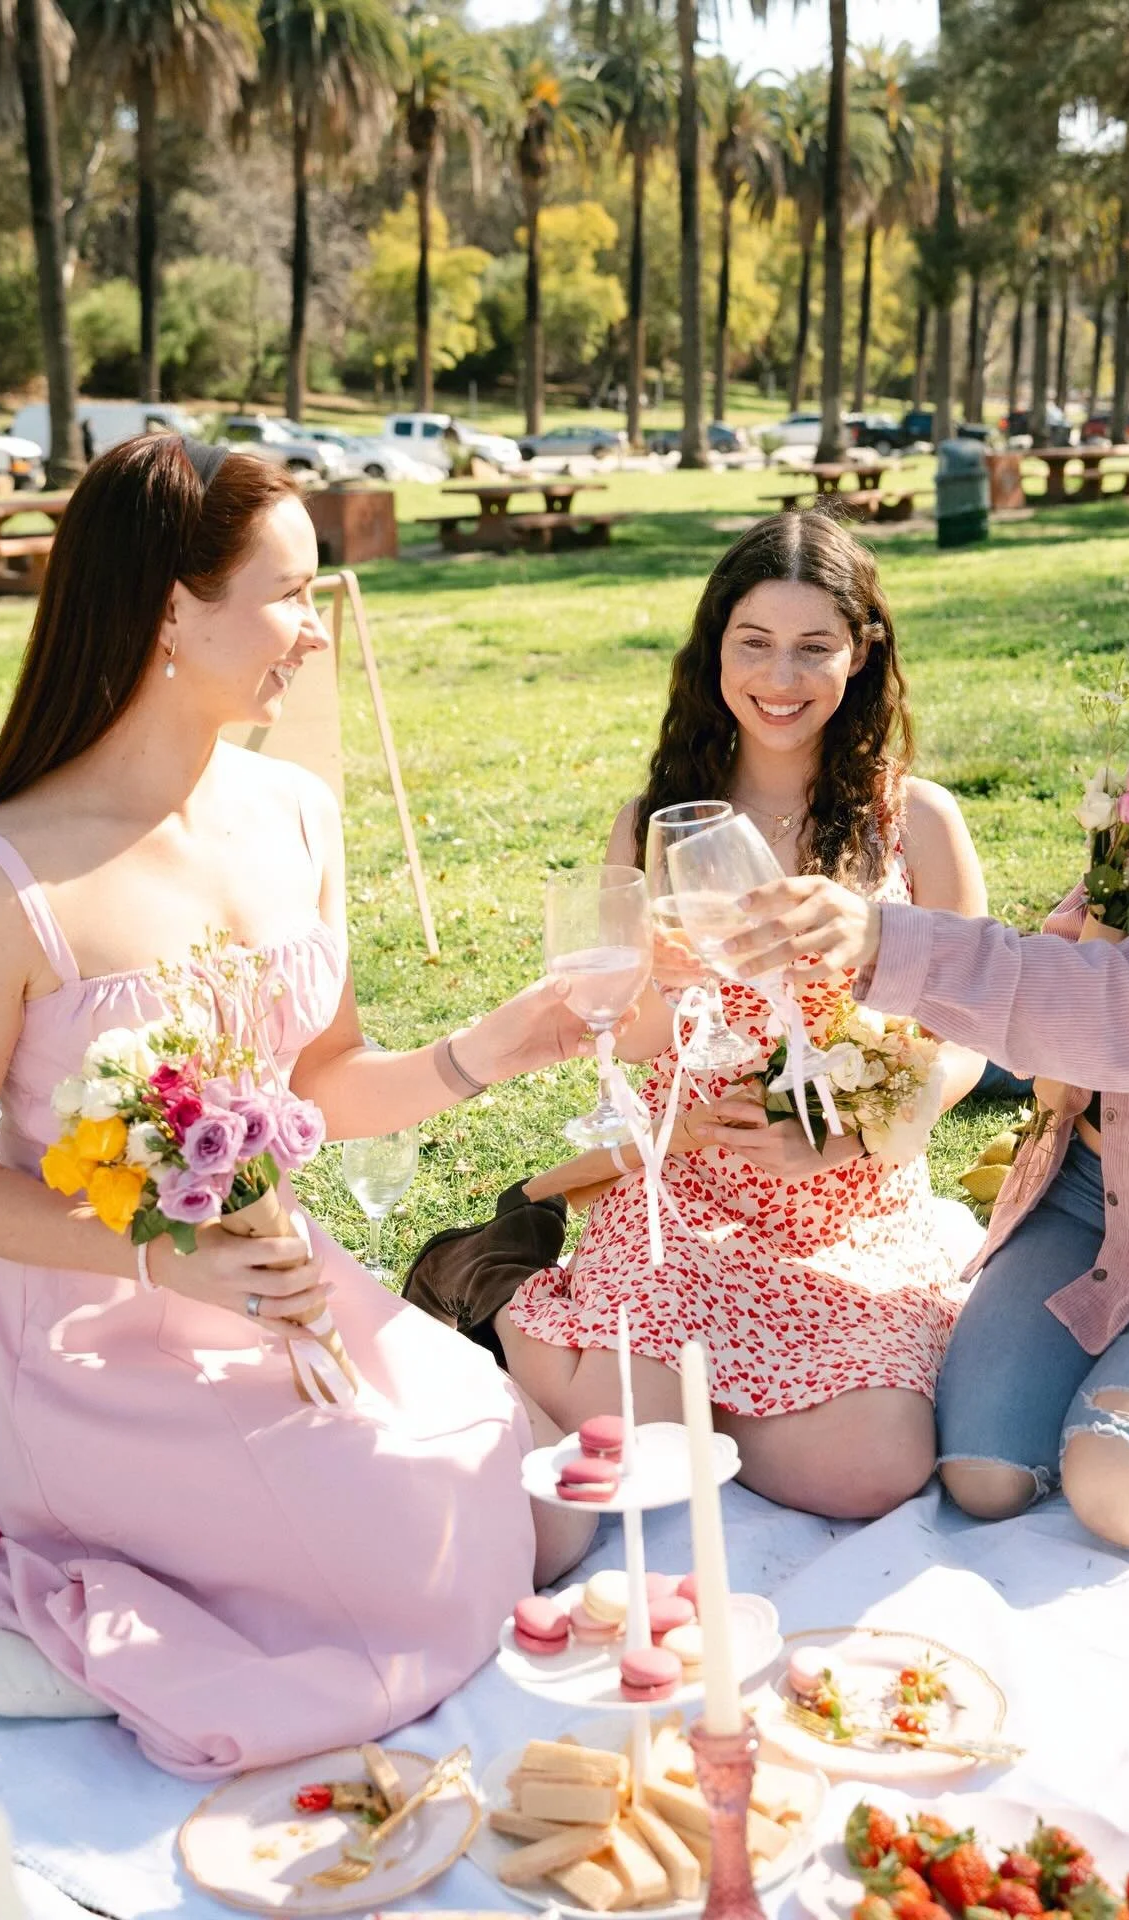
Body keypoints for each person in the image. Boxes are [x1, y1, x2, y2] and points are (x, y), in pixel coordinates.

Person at [0, 436, 598, 1779]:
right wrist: (158, 1250)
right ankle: (72, 1615)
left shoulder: (297, 813)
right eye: (292, 593)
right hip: (91, 1345)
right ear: (172, 611)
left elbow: (320, 1085)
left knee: (487, 1449)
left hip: (285, 1295)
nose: (317, 629)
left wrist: (496, 1047)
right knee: (413, 1526)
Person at [718, 453, 1129, 1552]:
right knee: (980, 1473)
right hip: (1089, 1191)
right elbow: (1069, 959)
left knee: (1116, 1490)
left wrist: (887, 937)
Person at [442, 510, 989, 1521]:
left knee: (872, 1474)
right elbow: (636, 1038)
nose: (781, 678)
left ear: (862, 654)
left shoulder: (917, 823)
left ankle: (712, 1396)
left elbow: (970, 1036)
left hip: (852, 1206)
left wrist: (855, 1134)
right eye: (755, 644)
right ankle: (502, 1297)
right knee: (642, 1456)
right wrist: (656, 978)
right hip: (686, 1196)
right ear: (716, 649)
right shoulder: (651, 825)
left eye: (814, 647)